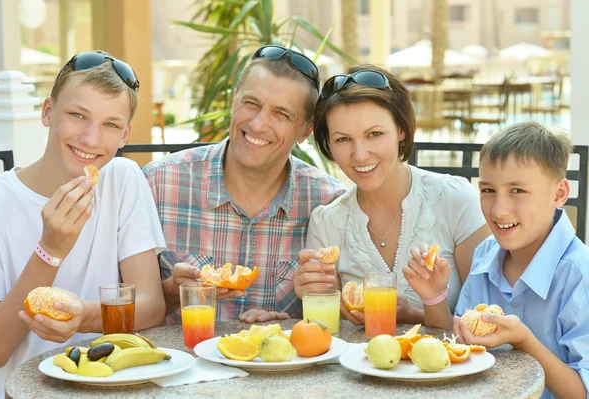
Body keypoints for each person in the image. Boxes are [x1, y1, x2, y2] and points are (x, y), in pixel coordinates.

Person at [0, 51, 167, 398]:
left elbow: (151, 307)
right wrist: (51, 250)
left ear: (125, 134)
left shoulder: (122, 179)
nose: (90, 138)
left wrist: (85, 317)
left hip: (106, 388)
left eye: (110, 124)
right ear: (47, 111)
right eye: (77, 115)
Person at [143, 45, 345, 324]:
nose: (259, 124)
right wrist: (170, 294)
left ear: (306, 130)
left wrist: (290, 327)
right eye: (251, 103)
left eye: (281, 114)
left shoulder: (331, 202)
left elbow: (348, 324)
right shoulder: (157, 184)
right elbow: (117, 302)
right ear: (234, 100)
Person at [405, 121, 588, 398]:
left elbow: (581, 392)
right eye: (488, 190)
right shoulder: (485, 253)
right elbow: (459, 339)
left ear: (559, 193)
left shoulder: (579, 274)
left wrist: (523, 340)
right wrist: (433, 296)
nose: (499, 210)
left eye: (517, 191)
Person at [295, 65, 490, 325]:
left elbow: (488, 319)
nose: (360, 154)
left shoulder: (455, 199)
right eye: (343, 139)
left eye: (374, 134)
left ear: (401, 130)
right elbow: (322, 331)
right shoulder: (327, 222)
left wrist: (412, 315)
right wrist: (315, 295)